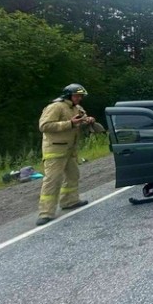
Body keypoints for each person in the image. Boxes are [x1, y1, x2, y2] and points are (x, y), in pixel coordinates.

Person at [36, 83, 95, 226]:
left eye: (81, 96)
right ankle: (46, 213)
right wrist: (69, 123)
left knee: (73, 175)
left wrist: (88, 120)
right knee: (53, 180)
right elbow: (44, 126)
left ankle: (69, 201)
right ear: (68, 95)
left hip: (70, 149)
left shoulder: (76, 108)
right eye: (77, 96)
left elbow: (82, 118)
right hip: (55, 151)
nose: (79, 98)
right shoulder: (55, 107)